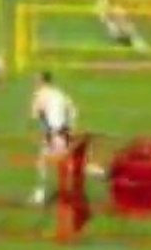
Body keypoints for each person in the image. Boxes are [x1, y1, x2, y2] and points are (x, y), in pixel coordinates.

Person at [29, 72, 104, 206]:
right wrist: (70, 127)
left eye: (36, 80)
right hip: (64, 133)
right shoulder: (59, 94)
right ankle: (103, 174)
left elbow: (35, 114)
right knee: (74, 163)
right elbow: (74, 110)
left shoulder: (40, 95)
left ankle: (39, 196)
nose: (35, 83)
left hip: (54, 134)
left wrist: (40, 113)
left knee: (43, 162)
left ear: (42, 81)